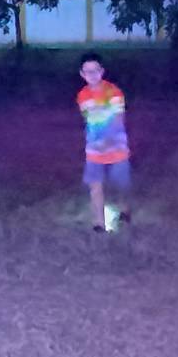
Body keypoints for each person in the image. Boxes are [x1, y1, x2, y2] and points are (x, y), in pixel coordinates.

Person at [76, 51, 131, 233]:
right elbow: (89, 120)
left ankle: (124, 209)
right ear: (82, 74)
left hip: (117, 148)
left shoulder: (114, 92)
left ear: (102, 71)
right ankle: (99, 223)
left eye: (95, 70)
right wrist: (94, 141)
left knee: (121, 184)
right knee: (95, 185)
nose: (92, 75)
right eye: (88, 71)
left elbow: (118, 119)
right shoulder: (82, 96)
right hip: (94, 150)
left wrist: (107, 140)